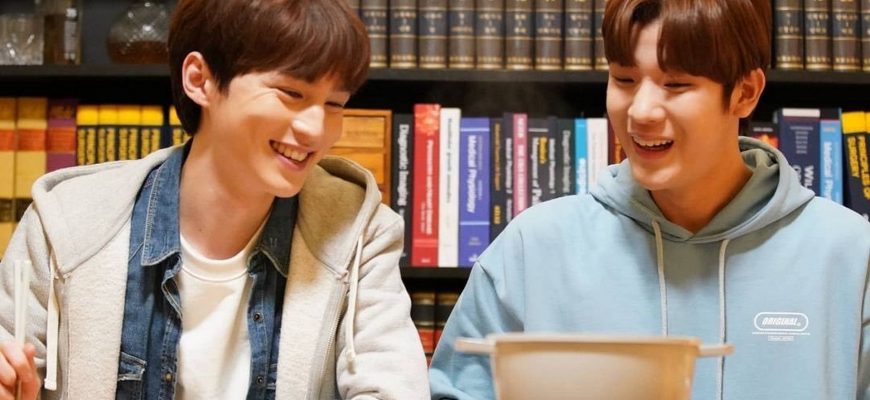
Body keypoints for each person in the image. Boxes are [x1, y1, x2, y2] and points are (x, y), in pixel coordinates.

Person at [429, 0, 870, 398]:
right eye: (624, 79)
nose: (640, 111)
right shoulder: (533, 247)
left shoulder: (850, 253)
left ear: (745, 92)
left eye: (675, 84)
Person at [0, 0, 429, 399]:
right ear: (199, 79)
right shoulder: (68, 221)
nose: (316, 130)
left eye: (335, 104)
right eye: (291, 94)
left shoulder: (359, 232)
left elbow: (393, 387)